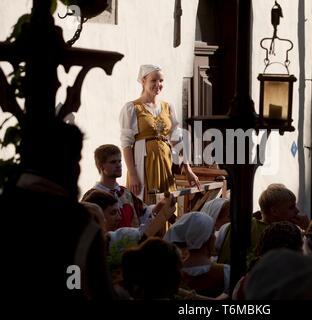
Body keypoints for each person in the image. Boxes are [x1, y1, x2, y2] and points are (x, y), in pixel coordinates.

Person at [0, 121, 114, 300]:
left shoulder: (8, 201)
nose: (78, 169)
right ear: (66, 165)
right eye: (76, 160)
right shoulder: (80, 225)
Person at [120, 64, 200, 204]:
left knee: (166, 202)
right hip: (143, 162)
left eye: (161, 81)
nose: (158, 84)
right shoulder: (132, 108)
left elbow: (177, 139)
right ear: (143, 81)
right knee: (145, 202)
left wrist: (187, 168)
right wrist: (132, 174)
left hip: (165, 161)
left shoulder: (168, 107)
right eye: (153, 80)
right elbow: (126, 144)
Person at [83, 144, 150, 228]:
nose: (118, 165)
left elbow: (145, 214)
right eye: (113, 162)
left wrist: (162, 205)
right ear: (101, 166)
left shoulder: (125, 192)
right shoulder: (92, 196)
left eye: (119, 161)